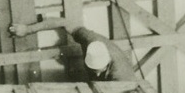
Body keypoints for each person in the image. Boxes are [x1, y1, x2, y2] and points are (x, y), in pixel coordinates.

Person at [8, 20, 138, 82]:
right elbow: (62, 22)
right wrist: (28, 29)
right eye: (94, 71)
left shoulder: (121, 74)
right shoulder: (89, 39)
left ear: (107, 63)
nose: (97, 75)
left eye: (100, 71)